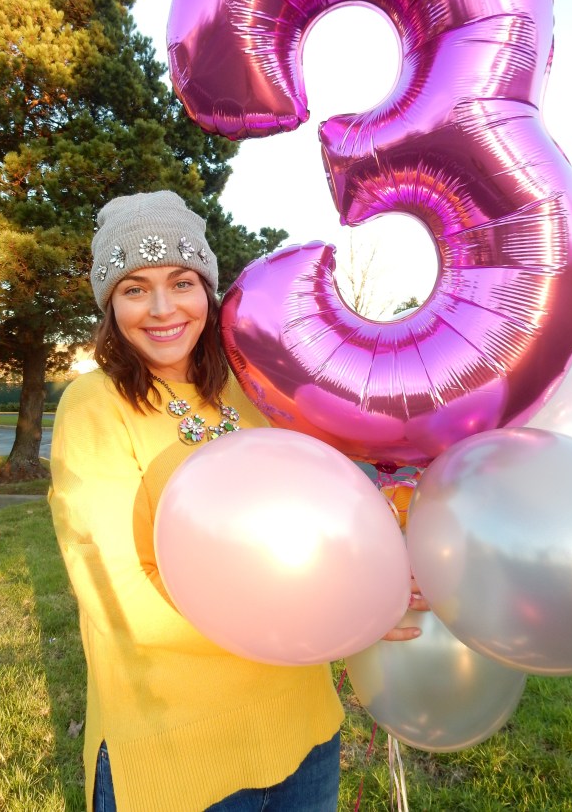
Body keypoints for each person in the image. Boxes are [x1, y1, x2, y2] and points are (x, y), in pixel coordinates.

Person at [49, 191, 425, 812]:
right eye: (134, 288)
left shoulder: (254, 392)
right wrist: (330, 623)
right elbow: (120, 597)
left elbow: (331, 520)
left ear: (209, 289)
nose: (163, 309)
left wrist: (391, 569)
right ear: (108, 304)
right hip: (179, 748)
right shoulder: (95, 406)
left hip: (303, 727)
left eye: (182, 282)